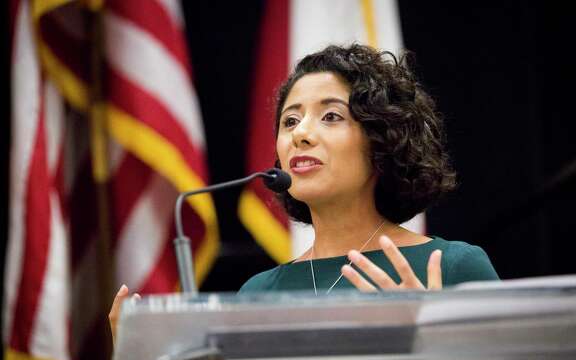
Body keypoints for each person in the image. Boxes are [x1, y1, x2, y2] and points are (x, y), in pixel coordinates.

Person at [109, 44, 499, 340]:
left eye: (331, 116)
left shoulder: (453, 268)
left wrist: (436, 347)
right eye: (290, 120)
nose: (301, 134)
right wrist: (140, 357)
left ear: (383, 141)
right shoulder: (258, 294)